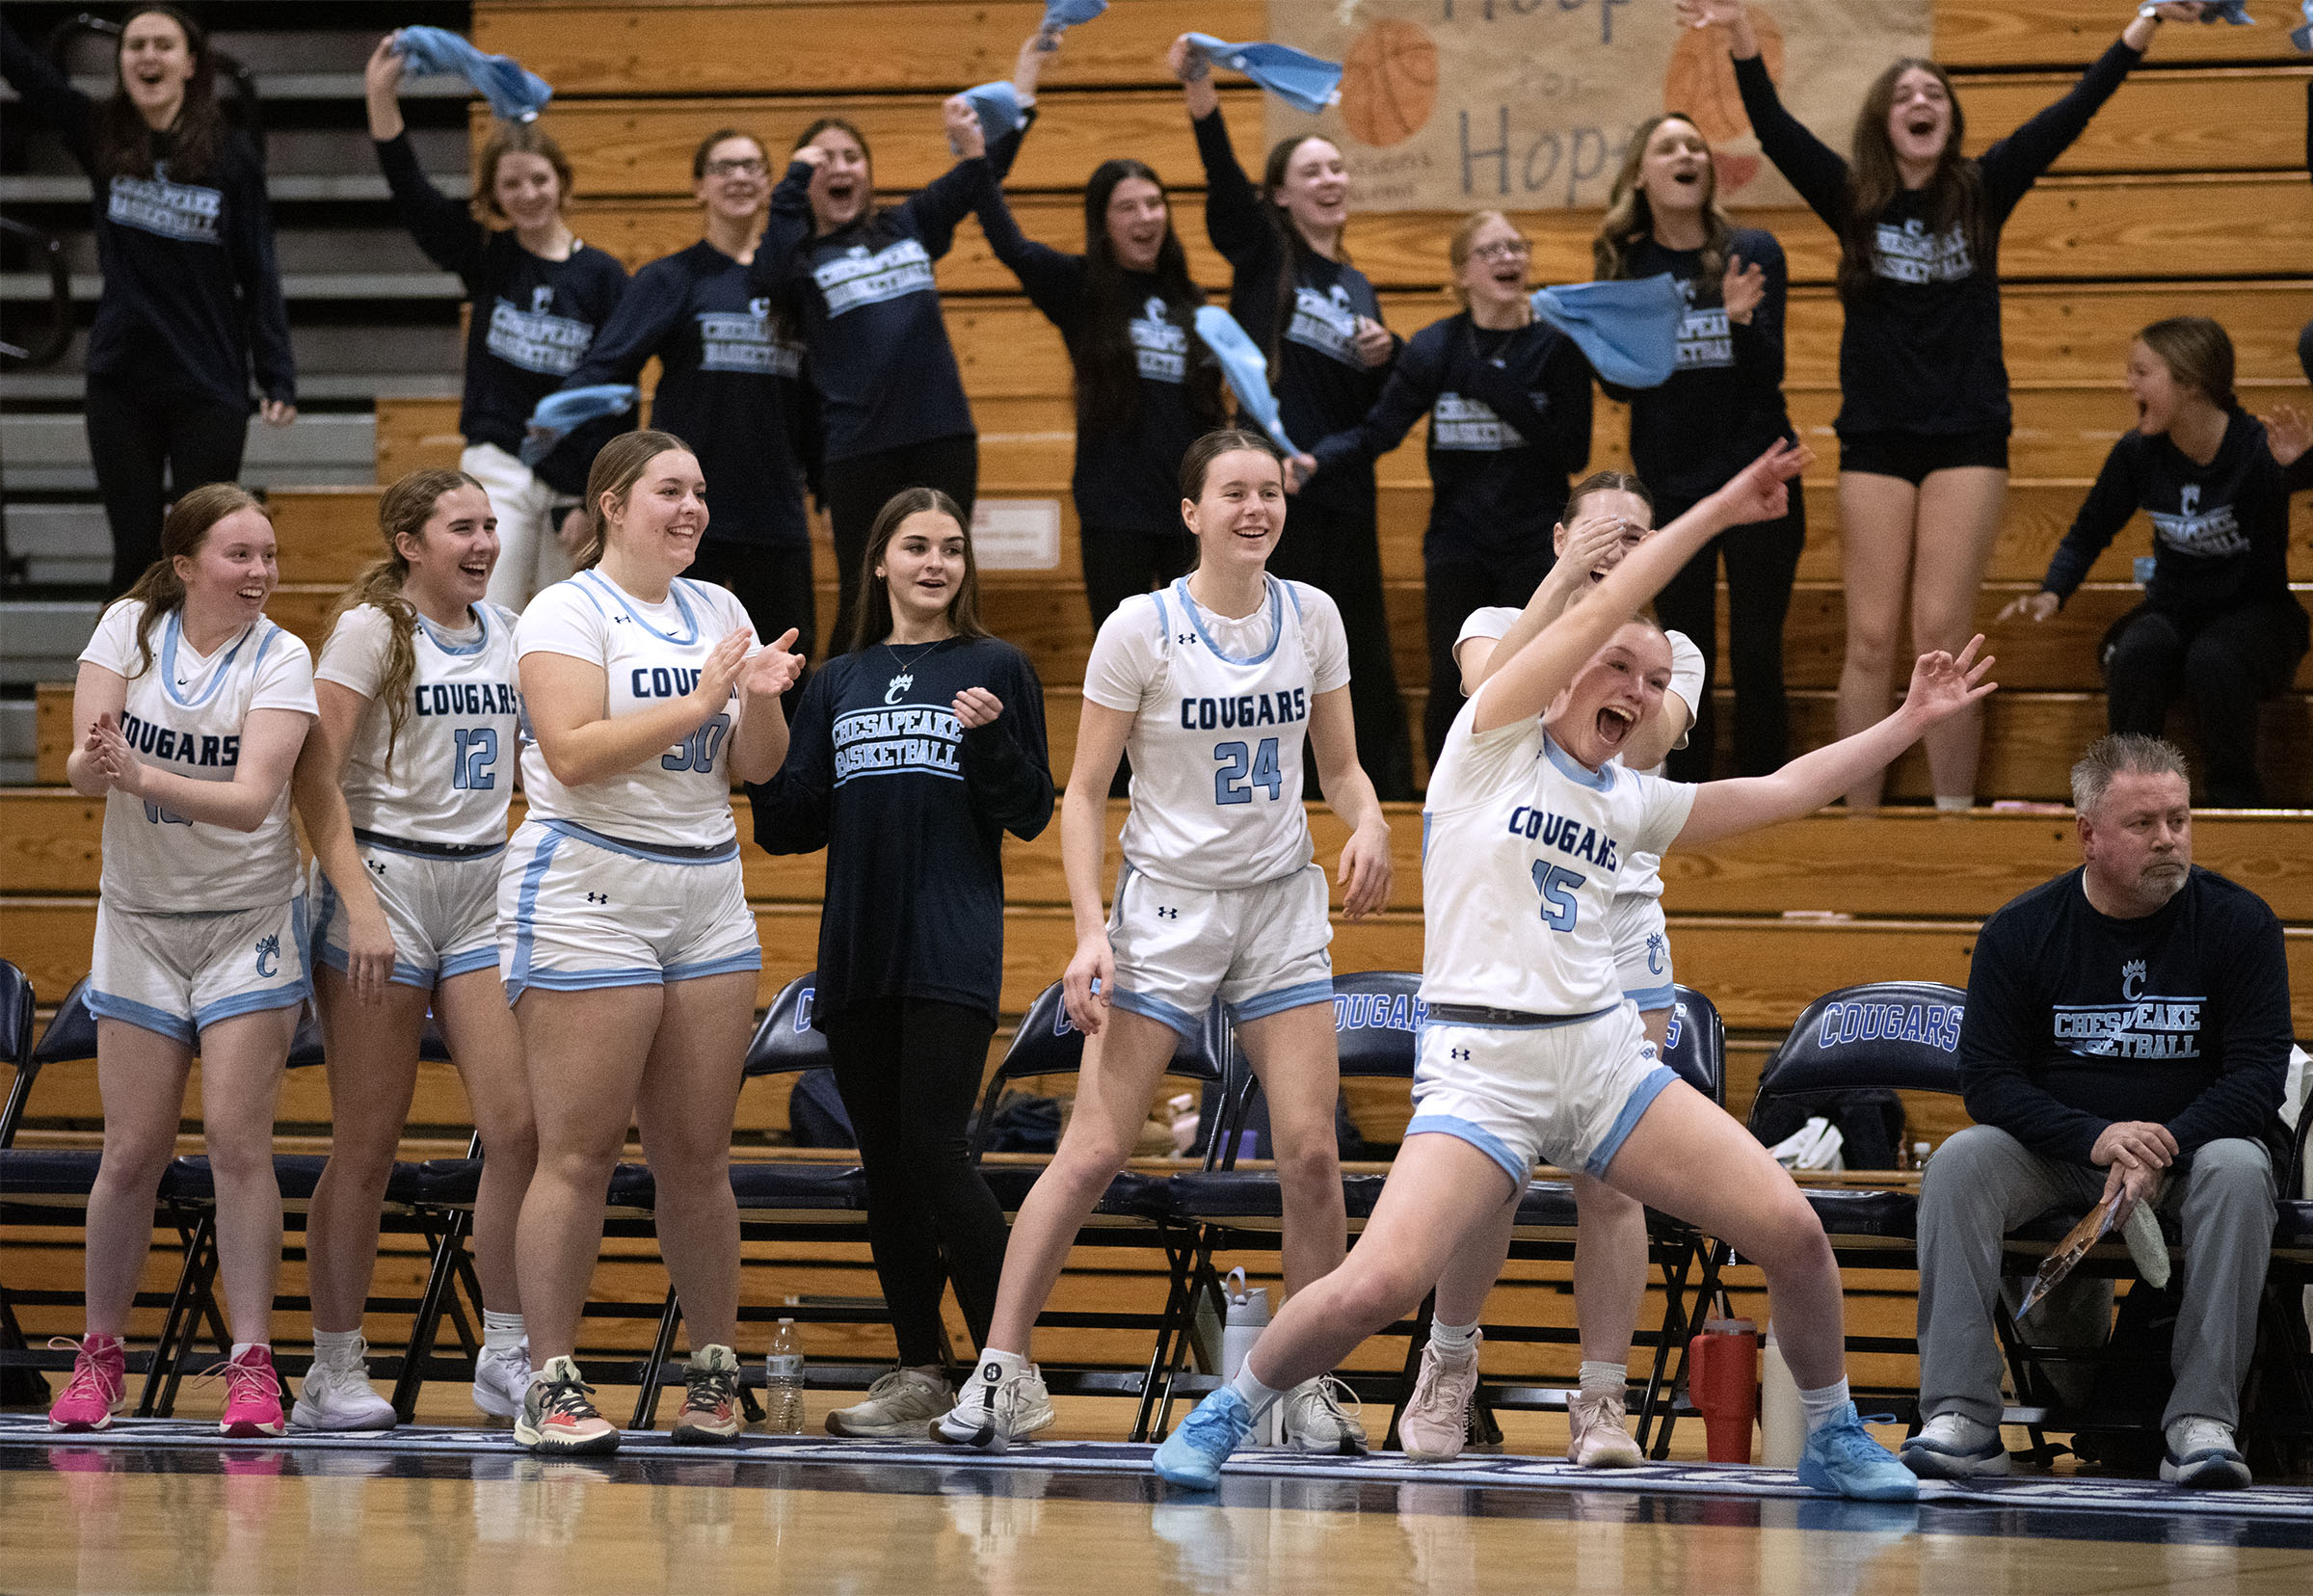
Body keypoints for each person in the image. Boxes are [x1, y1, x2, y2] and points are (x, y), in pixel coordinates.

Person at [1151, 439, 1996, 1503]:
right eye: (1618, 672)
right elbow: (1603, 611)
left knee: (1791, 1228)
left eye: (1654, 683)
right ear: (1561, 669)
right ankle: (1227, 1414)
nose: (1638, 695)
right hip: (1483, 1069)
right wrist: (1723, 507)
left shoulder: (1628, 797)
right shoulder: (1488, 741)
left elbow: (1780, 789)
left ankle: (1830, 1431)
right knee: (1382, 1280)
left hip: (1602, 1064)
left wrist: (1908, 723)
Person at [935, 429, 1394, 1452]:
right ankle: (1002, 1371)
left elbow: (1344, 767)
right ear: (1191, 513)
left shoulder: (1312, 614)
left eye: (1268, 491)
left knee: (1314, 1154)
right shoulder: (1141, 628)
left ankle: (1300, 1384)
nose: (1254, 508)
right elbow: (1086, 793)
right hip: (1167, 908)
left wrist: (1368, 820)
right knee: (1093, 1148)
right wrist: (1090, 931)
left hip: (1278, 905)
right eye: (1232, 492)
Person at [1677, 0, 2205, 809]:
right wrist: (1741, 34)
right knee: (1870, 642)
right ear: (1885, 123)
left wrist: (2144, 22)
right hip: (1877, 439)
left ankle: (1952, 826)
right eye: (1903, 95)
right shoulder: (1855, 198)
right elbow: (1775, 129)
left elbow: (2072, 111)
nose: (1921, 102)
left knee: (1941, 639)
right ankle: (1861, 837)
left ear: (1948, 119)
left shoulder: (1983, 189)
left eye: (1934, 93)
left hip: (1967, 436)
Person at [500, 431, 805, 1454]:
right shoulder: (564, 609)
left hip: (706, 888)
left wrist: (757, 698)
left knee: (698, 1156)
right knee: (579, 1152)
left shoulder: (719, 609)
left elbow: (756, 768)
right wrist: (707, 695)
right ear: (616, 503)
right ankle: (550, 1380)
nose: (692, 509)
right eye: (671, 491)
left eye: (702, 491)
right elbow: (574, 754)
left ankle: (714, 1370)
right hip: (588, 883)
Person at [1404, 472, 1706, 1468]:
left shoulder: (1673, 654)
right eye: (1605, 533)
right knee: (1484, 1175)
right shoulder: (1500, 615)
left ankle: (1602, 1402)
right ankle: (1449, 1364)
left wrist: (1620, 638)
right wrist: (1572, 594)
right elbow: (1492, 697)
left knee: (1613, 1181)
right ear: (1562, 534)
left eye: (1642, 535)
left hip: (1618, 923)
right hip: (1509, 918)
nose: (1625, 547)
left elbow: (1652, 735)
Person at [1905, 734, 2290, 1490]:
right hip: (2061, 1154)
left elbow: (2257, 1080)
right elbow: (1986, 1082)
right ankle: (1961, 1417)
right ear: (2087, 833)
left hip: (2193, 1154)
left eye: (2179, 820)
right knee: (1958, 1162)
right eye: (2143, 824)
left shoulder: (2241, 923)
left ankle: (2201, 1424)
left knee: (2244, 1169)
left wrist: (2162, 1146)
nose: (2168, 840)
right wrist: (2096, 1138)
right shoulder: (2020, 932)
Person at [751, 489, 1053, 1437]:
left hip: (950, 952)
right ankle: (921, 1363)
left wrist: (992, 738)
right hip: (856, 955)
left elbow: (1031, 810)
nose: (935, 563)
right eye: (916, 546)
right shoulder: (836, 680)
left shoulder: (996, 664)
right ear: (879, 559)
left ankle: (1011, 1364)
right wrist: (759, 711)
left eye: (952, 549)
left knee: (936, 1150)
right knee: (885, 1166)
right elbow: (790, 825)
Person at [46, 483, 317, 1437]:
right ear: (186, 566)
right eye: (241, 556)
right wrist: (96, 763)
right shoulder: (127, 626)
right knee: (131, 1152)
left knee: (239, 1145)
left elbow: (250, 802)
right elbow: (82, 769)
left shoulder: (282, 655)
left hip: (245, 919)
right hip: (140, 922)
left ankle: (251, 1363)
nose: (262, 573)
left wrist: (139, 773)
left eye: (270, 556)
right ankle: (98, 1356)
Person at [288, 470, 538, 1430]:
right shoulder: (370, 631)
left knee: (516, 1129)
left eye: (488, 526)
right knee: (367, 1145)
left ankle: (506, 1354)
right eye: (461, 528)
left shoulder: (512, 632)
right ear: (410, 542)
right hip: (382, 882)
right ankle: (334, 1368)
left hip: (482, 885)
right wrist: (354, 900)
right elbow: (316, 776)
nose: (482, 542)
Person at [1169, 34, 1415, 800]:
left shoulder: (1360, 284)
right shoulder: (1265, 256)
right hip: (1273, 491)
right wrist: (1201, 93)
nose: (1330, 178)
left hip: (1340, 484)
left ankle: (1387, 799)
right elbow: (1221, 178)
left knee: (1358, 649)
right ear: (1281, 194)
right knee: (1283, 650)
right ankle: (1285, 791)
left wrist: (1387, 353)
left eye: (1337, 167)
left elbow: (1380, 413)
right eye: (1311, 169)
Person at [753, 36, 1047, 651]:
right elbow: (765, 272)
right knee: (867, 599)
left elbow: (979, 174)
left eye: (850, 157)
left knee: (944, 589)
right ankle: (840, 733)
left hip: (942, 435)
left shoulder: (906, 225)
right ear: (805, 180)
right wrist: (794, 174)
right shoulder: (800, 257)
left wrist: (1024, 80)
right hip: (860, 450)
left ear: (869, 171)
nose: (838, 168)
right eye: (822, 159)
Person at [1, 8, 293, 598]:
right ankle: (122, 690)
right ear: (121, 61)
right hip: (122, 380)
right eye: (135, 45)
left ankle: (201, 687)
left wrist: (276, 371)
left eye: (164, 44)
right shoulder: (101, 131)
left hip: (208, 383)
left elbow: (259, 268)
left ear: (190, 63)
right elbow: (29, 75)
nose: (148, 56)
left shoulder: (231, 155)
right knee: (134, 554)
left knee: (202, 556)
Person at [1289, 210, 1593, 770]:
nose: (1508, 258)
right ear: (1462, 274)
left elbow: (1574, 452)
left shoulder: (1557, 350)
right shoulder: (1435, 347)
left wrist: (1497, 391)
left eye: (1516, 247)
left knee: (1543, 676)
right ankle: (1442, 805)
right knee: (1451, 680)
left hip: (1537, 543)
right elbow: (1379, 430)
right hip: (1460, 542)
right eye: (1491, 251)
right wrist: (1315, 461)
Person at [363, 36, 630, 608]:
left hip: (574, 482)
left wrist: (592, 498)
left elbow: (615, 396)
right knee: (487, 610)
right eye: (511, 185)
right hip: (500, 465)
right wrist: (380, 98)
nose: (527, 194)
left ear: (562, 180)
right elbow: (414, 195)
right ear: (494, 195)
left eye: (538, 179)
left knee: (568, 629)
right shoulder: (489, 255)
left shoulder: (604, 276)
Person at [2000, 318, 2311, 807]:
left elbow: (2295, 478)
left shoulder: (2257, 446)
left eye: (2141, 372)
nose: (2128, 385)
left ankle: (2238, 804)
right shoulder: (2138, 453)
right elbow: (2089, 530)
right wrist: (2052, 590)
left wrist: (2297, 466)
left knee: (2216, 659)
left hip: (2258, 617)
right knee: (2138, 652)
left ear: (2189, 382)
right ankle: (2128, 801)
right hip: (2175, 610)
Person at [560, 130, 818, 672]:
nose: (740, 177)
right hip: (684, 518)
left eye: (751, 166)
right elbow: (600, 378)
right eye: (724, 167)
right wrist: (581, 490)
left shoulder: (797, 286)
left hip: (775, 515)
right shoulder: (669, 279)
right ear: (699, 187)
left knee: (783, 676)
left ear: (769, 182)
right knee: (677, 673)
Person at [1593, 113, 1801, 780]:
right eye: (1667, 146)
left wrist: (1738, 324)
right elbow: (1618, 385)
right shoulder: (1625, 264)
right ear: (1642, 175)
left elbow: (1769, 371)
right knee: (1685, 649)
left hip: (1757, 476)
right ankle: (1687, 796)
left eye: (1695, 146)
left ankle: (1768, 792)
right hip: (1674, 485)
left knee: (1756, 646)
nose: (1686, 154)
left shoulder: (1753, 249)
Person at [974, 158, 1228, 632]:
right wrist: (976, 160)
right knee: (1124, 657)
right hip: (1114, 510)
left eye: (1154, 204)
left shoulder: (1191, 300)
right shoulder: (1081, 287)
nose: (1145, 217)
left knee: (1198, 658)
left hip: (1188, 513)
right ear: (1103, 223)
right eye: (1127, 207)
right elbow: (1013, 247)